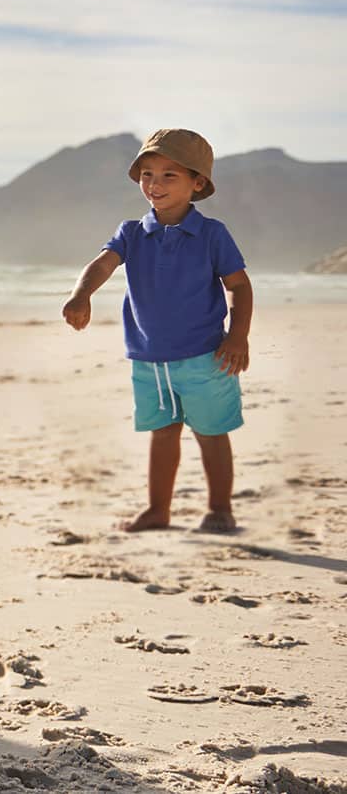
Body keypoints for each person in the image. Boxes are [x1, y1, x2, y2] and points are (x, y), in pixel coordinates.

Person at [62, 129, 252, 534]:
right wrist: (82, 295)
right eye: (148, 174)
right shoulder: (131, 232)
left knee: (211, 435)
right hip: (149, 359)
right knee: (161, 434)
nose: (155, 184)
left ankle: (221, 509)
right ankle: (157, 511)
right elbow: (101, 264)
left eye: (170, 175)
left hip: (206, 356)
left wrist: (238, 338)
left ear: (197, 183)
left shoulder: (212, 234)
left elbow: (238, 286)